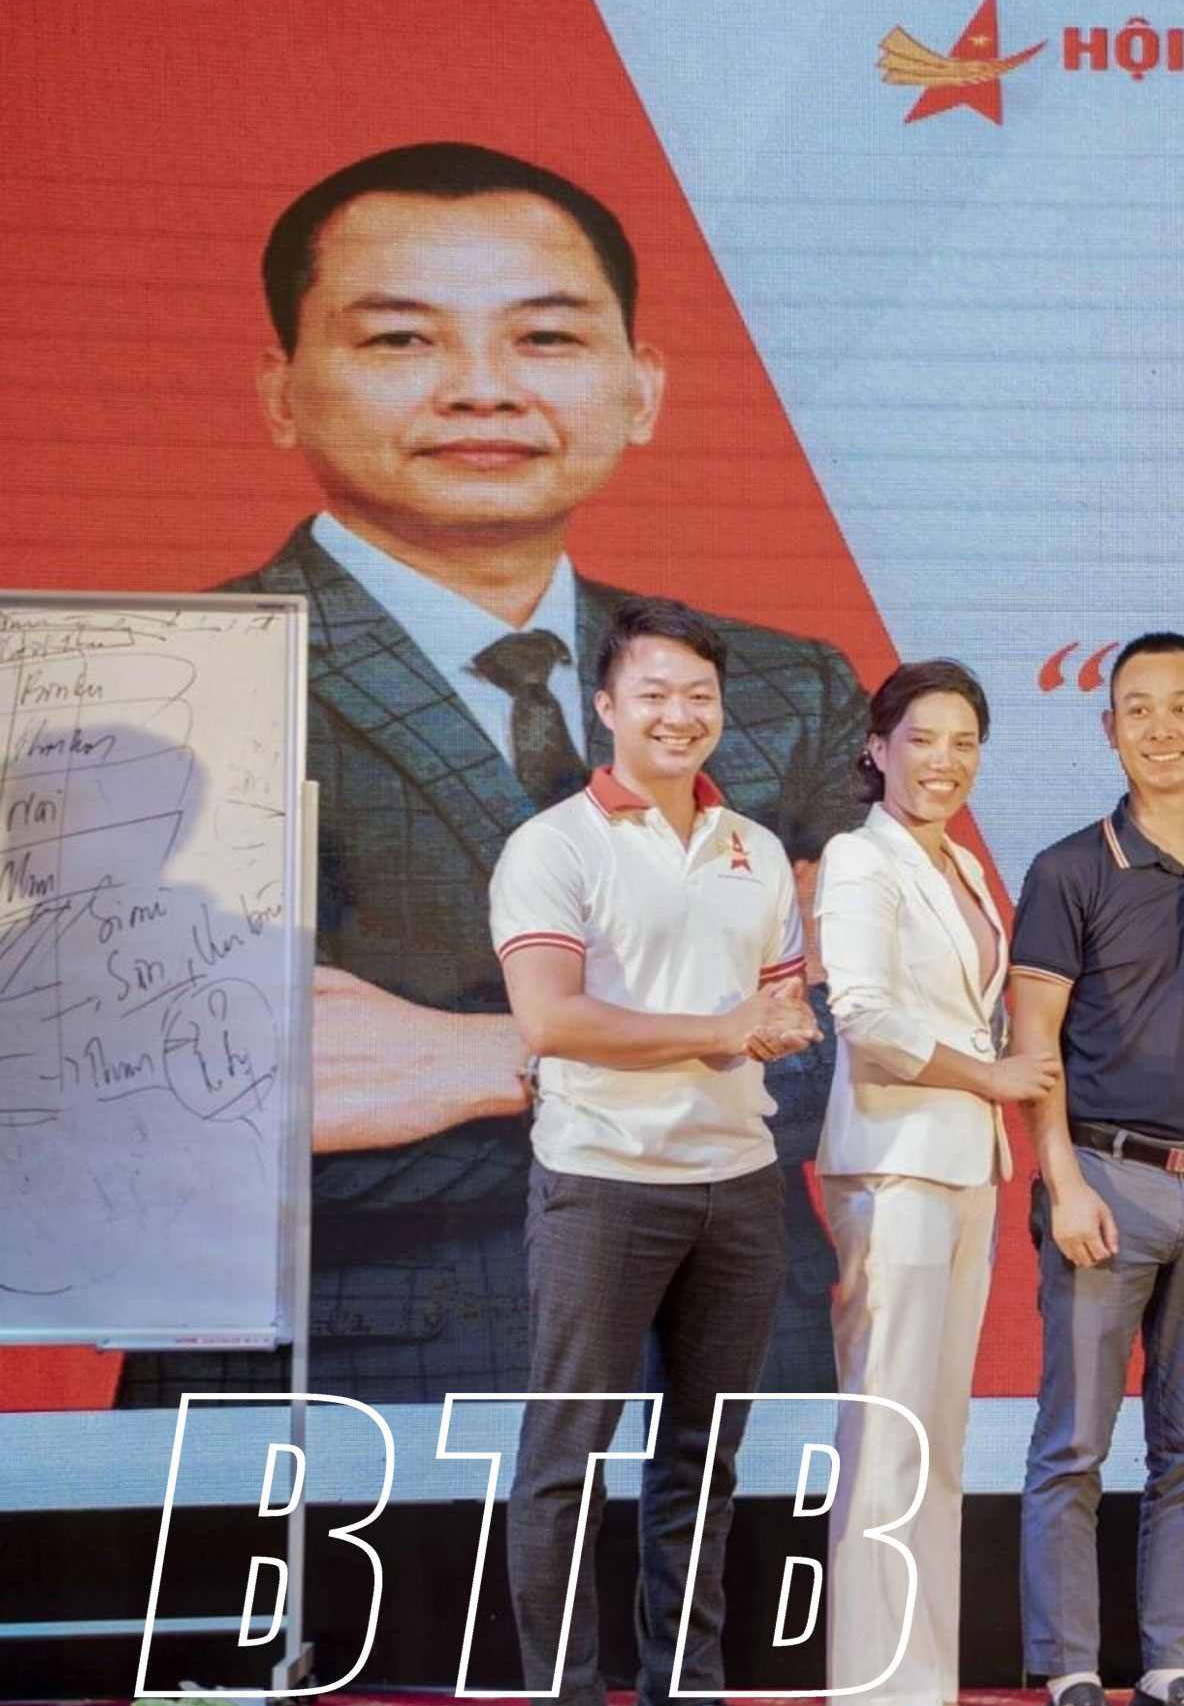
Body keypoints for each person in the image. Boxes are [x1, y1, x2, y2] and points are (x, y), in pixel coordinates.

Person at [125, 141, 864, 1407]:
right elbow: (159, 1105)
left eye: (545, 338)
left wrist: (478, 1058)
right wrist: (708, 1035)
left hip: (731, 1355)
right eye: (402, 339)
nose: (482, 391)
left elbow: (869, 1051)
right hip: (339, 1380)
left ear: (640, 388)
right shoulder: (161, 686)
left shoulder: (784, 688)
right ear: (280, 393)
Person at [489, 597, 820, 1706]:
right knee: (566, 1454)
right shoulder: (556, 845)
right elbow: (550, 1019)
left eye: (699, 696)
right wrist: (722, 1028)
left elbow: (779, 1002)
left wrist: (777, 1022)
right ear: (606, 707)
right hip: (602, 1179)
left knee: (702, 1455)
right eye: (654, 695)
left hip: (738, 1180)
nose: (679, 716)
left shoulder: (753, 848)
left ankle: (685, 1699)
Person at [1005, 631, 1184, 1706]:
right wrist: (1063, 1181)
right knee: (1074, 1444)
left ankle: (1169, 1671)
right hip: (1104, 1182)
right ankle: (1070, 1674)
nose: (1162, 727)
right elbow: (1034, 1047)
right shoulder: (1068, 870)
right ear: (1109, 729)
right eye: (1138, 708)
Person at [815, 659, 1060, 1706]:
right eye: (923, 739)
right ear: (878, 749)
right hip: (895, 1165)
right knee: (890, 1432)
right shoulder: (861, 860)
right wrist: (993, 1077)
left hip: (962, 1166)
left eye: (965, 743)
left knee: (938, 1435)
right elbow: (865, 1019)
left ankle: (917, 1683)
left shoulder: (956, 860)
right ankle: (883, 1690)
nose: (944, 762)